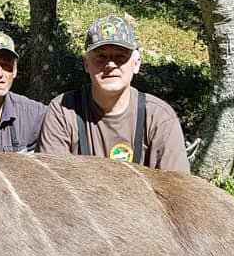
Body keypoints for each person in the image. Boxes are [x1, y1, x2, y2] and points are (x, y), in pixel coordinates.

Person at [39, 15, 190, 172]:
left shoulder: (160, 118)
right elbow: (54, 185)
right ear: (86, 64)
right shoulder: (63, 111)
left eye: (120, 57)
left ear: (136, 63)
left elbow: (177, 191)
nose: (110, 64)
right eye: (101, 57)